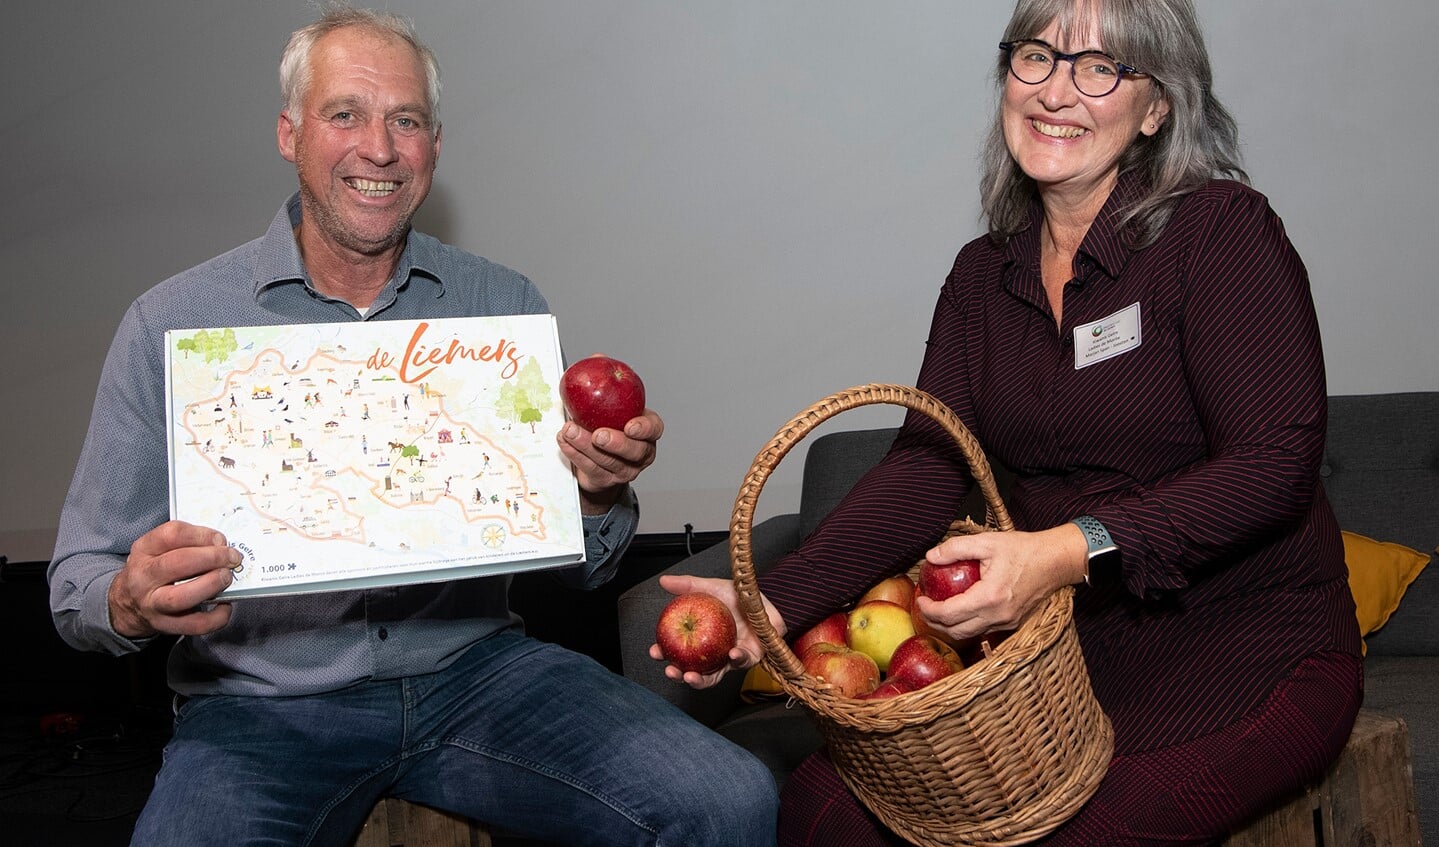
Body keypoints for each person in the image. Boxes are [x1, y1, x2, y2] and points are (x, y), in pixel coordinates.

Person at [48, 8, 777, 847]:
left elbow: (584, 570)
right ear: (289, 133)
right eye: (344, 114)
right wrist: (130, 602)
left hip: (477, 676)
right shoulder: (172, 322)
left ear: (434, 143)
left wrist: (599, 492)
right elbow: (79, 580)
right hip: (263, 708)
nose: (380, 148)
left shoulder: (502, 307)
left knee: (728, 800)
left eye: (407, 120)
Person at [651, 0, 1361, 844]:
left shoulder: (1220, 233)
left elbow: (1273, 464)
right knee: (823, 811)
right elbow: (929, 465)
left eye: (1100, 68)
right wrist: (768, 603)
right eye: (1037, 58)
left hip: (1247, 650)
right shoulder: (982, 276)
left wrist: (1067, 548)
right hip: (1062, 664)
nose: (1057, 91)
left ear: (1157, 107)